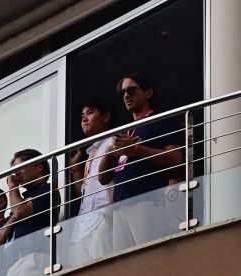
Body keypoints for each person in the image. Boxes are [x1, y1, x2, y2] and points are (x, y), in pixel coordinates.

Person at [97, 73, 183, 249]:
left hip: (148, 201)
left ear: (148, 93)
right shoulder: (127, 132)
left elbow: (176, 159)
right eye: (123, 93)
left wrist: (136, 149)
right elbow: (103, 179)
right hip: (121, 209)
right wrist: (108, 153)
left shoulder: (160, 121)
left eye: (131, 90)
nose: (126, 95)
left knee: (152, 260)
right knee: (127, 271)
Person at [0, 148, 60, 276]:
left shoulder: (48, 190)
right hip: (14, 265)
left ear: (38, 168)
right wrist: (14, 217)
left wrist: (12, 187)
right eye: (14, 170)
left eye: (20, 168)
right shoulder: (20, 200)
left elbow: (20, 211)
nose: (16, 174)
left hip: (35, 259)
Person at [67, 97, 115, 264]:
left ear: (106, 117)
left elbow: (116, 180)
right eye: (82, 116)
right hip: (83, 227)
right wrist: (75, 168)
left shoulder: (113, 142)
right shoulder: (90, 153)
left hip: (102, 219)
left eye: (90, 113)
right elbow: (83, 192)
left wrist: (109, 215)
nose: (84, 119)